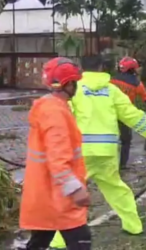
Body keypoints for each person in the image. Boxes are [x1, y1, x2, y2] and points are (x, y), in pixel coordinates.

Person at [49, 57, 146, 248]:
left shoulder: (75, 89)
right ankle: (133, 226)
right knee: (116, 189)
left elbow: (63, 116)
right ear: (102, 68)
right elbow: (131, 114)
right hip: (107, 151)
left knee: (69, 193)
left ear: (82, 69)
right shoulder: (112, 90)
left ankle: (59, 240)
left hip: (81, 152)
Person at [20, 58, 92, 250]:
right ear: (68, 84)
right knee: (81, 240)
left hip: (46, 193)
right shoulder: (56, 113)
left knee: (40, 241)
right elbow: (58, 157)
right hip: (59, 196)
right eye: (74, 82)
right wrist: (75, 189)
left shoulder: (49, 108)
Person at [111, 56, 146, 170]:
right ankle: (122, 165)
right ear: (132, 69)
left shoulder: (112, 80)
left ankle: (110, 164)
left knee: (111, 140)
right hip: (126, 115)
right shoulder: (136, 83)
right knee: (126, 141)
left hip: (110, 113)